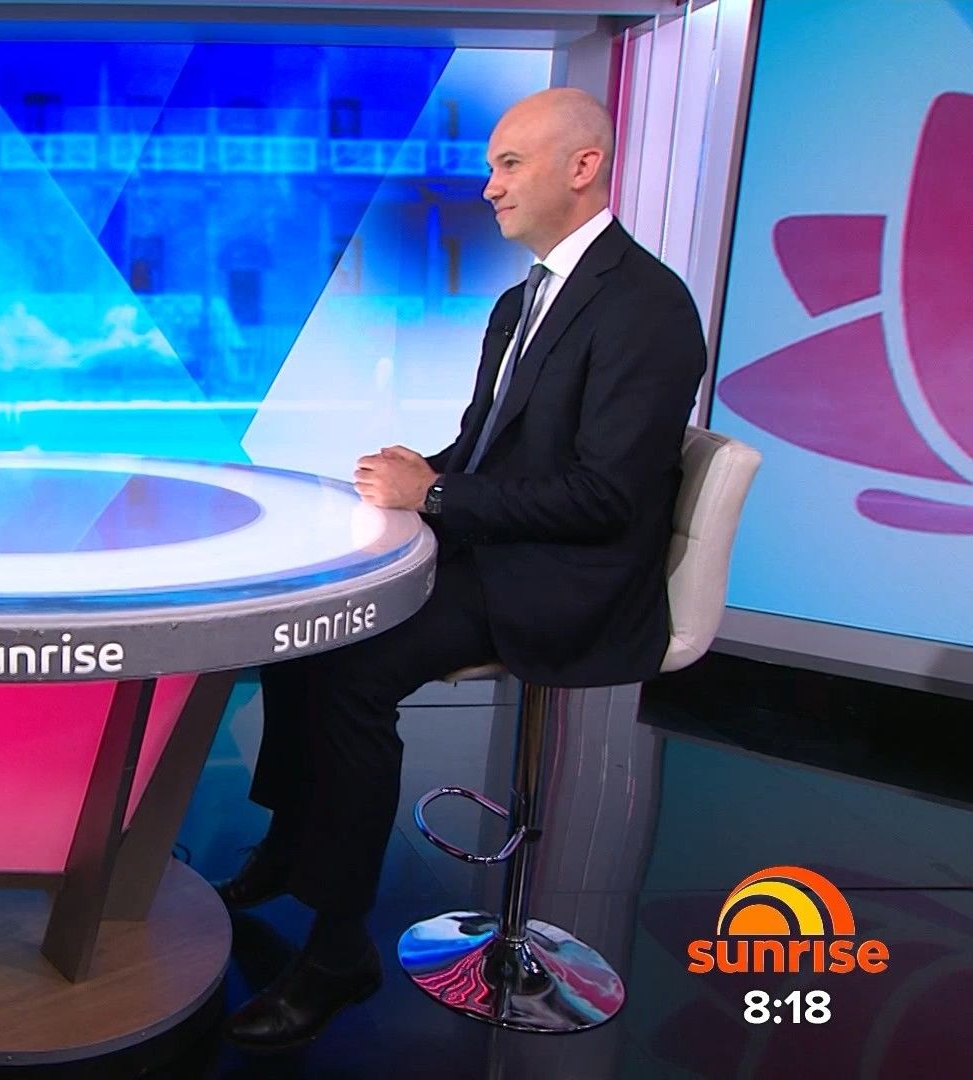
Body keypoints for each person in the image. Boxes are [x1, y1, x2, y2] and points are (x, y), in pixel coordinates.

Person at [216, 87, 708, 1051]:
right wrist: (420, 475)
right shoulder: (523, 299)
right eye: (492, 166)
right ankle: (290, 845)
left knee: (352, 666)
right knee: (306, 619)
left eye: (509, 164)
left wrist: (437, 496)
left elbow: (604, 498)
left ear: (584, 166)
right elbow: (489, 450)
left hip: (568, 580)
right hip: (501, 548)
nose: (489, 187)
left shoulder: (647, 306)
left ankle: (337, 952)